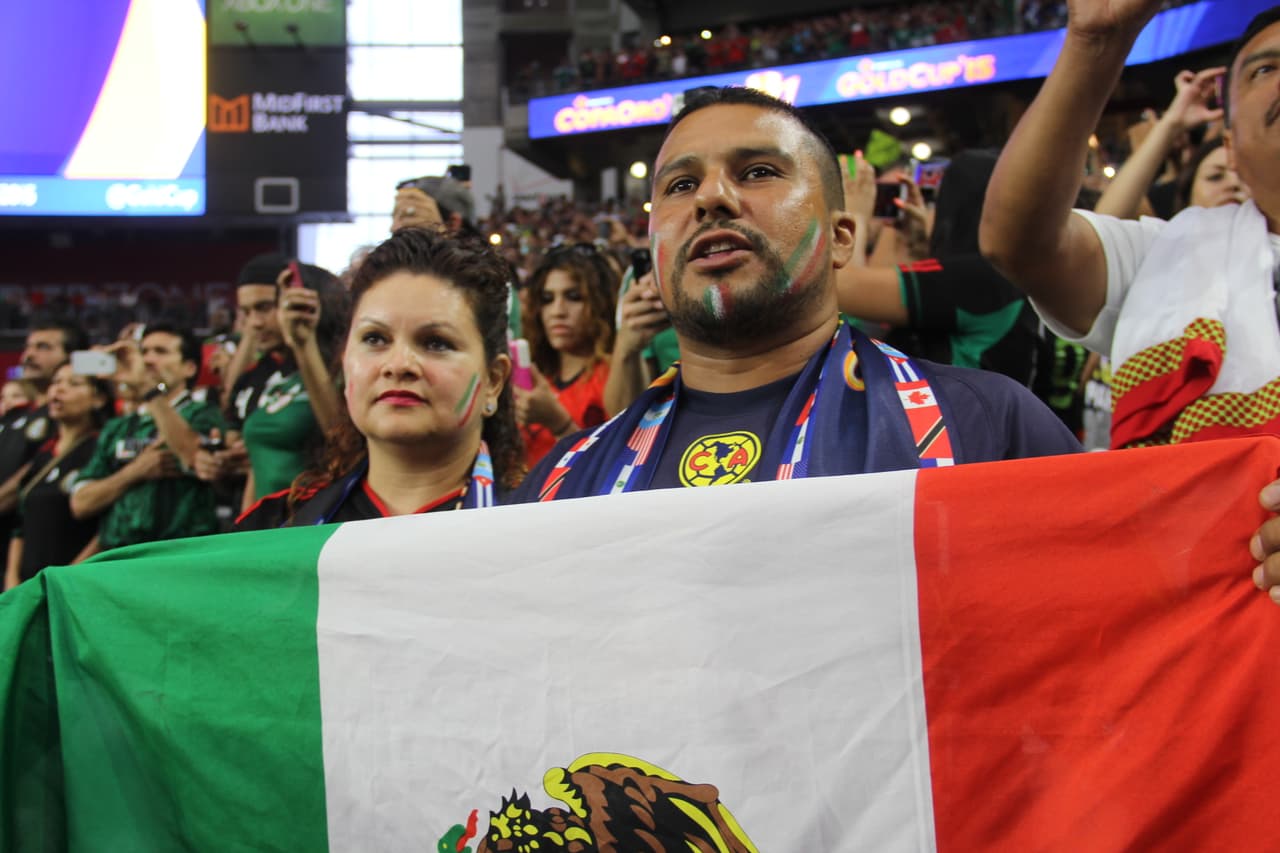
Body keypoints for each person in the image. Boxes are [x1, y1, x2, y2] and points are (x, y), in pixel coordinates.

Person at [510, 86, 1081, 505]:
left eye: (757, 171)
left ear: (839, 238)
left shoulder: (986, 426)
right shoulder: (561, 480)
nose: (712, 197)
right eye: (681, 185)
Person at [980, 3, 1280, 449]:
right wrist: (1093, 42)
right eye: (1266, 69)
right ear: (1230, 148)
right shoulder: (1170, 259)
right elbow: (1021, 243)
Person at [237, 228, 522, 528]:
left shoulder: (546, 532)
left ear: (493, 381)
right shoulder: (273, 530)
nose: (398, 365)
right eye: (375, 338)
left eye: (436, 342)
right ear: (345, 361)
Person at [197, 255, 347, 509]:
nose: (255, 323)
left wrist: (302, 342)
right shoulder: (274, 379)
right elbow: (255, 471)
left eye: (265, 308)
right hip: (269, 527)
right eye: (246, 312)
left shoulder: (345, 367)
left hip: (319, 523)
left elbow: (343, 441)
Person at [69, 324, 227, 549]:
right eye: (144, 352)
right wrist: (134, 472)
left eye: (161, 352)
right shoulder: (118, 427)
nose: (148, 360)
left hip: (180, 558)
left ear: (189, 368)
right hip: (119, 560)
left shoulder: (204, 414)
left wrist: (147, 388)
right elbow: (81, 503)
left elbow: (195, 459)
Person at [4, 364, 112, 589]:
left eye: (73, 384)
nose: (59, 389)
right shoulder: (43, 453)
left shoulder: (101, 450)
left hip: (70, 585)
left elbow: (108, 529)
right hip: (27, 586)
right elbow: (20, 524)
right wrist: (12, 578)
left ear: (99, 399)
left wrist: (66, 578)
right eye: (56, 382)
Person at [515, 245, 617, 467]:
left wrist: (559, 424)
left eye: (573, 297)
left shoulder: (614, 376)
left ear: (599, 304)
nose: (558, 311)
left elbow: (617, 471)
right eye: (547, 299)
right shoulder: (534, 375)